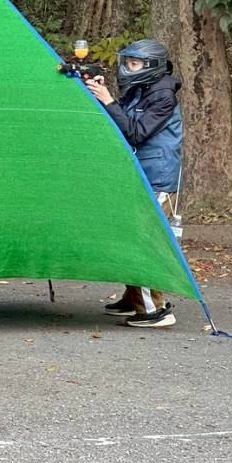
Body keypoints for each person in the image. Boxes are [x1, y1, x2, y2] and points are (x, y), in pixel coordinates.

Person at [83, 38, 183, 329]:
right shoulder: (141, 90)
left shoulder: (163, 97)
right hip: (140, 174)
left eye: (134, 64)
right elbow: (120, 117)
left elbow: (136, 133)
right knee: (131, 234)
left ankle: (155, 309)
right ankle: (134, 297)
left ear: (152, 66)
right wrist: (100, 92)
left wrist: (108, 99)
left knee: (145, 241)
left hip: (157, 178)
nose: (128, 68)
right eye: (127, 63)